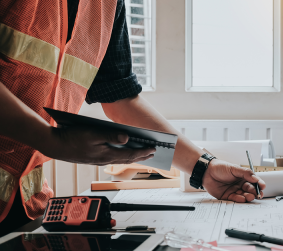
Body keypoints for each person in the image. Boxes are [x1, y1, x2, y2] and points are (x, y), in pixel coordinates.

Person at [0, 0, 265, 236]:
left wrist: (203, 168)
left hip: (25, 208)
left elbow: (120, 98)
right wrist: (52, 141)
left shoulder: (108, 5)